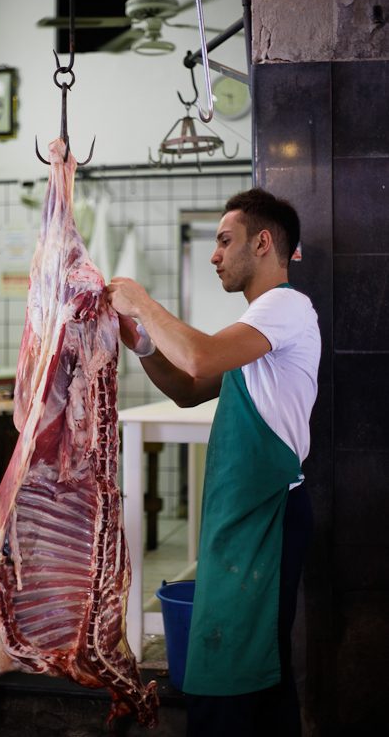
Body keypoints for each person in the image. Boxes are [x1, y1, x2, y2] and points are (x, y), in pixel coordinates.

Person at [106, 187, 321, 737]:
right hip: (243, 521)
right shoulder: (257, 330)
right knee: (253, 670)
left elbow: (199, 355)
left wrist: (142, 303)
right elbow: (189, 387)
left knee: (237, 674)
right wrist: (144, 344)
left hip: (266, 519)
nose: (214, 255)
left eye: (225, 241)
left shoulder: (285, 306)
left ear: (264, 242)